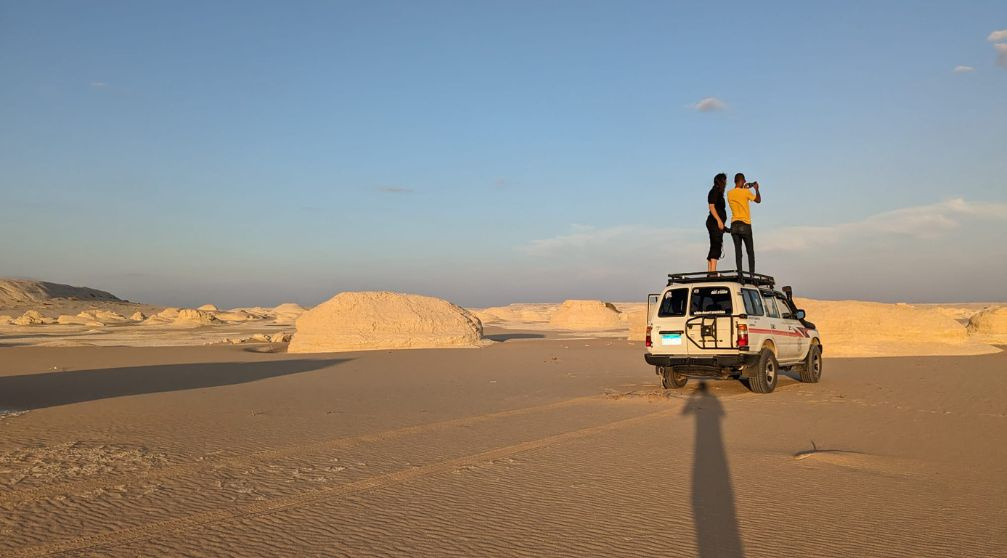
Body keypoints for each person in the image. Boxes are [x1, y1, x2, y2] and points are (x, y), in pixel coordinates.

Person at [727, 173, 761, 282]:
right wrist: (756, 189)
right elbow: (758, 200)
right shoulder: (746, 192)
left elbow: (738, 192)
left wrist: (745, 187)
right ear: (741, 181)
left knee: (738, 251)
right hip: (745, 225)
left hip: (734, 225)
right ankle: (751, 276)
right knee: (750, 252)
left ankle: (740, 275)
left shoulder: (729, 193)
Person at [705, 173, 728, 272]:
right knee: (716, 245)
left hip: (716, 223)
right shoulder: (714, 191)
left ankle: (710, 271)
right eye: (725, 180)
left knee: (714, 245)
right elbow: (711, 206)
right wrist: (719, 221)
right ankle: (713, 271)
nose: (726, 182)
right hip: (714, 222)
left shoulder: (718, 192)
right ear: (721, 181)